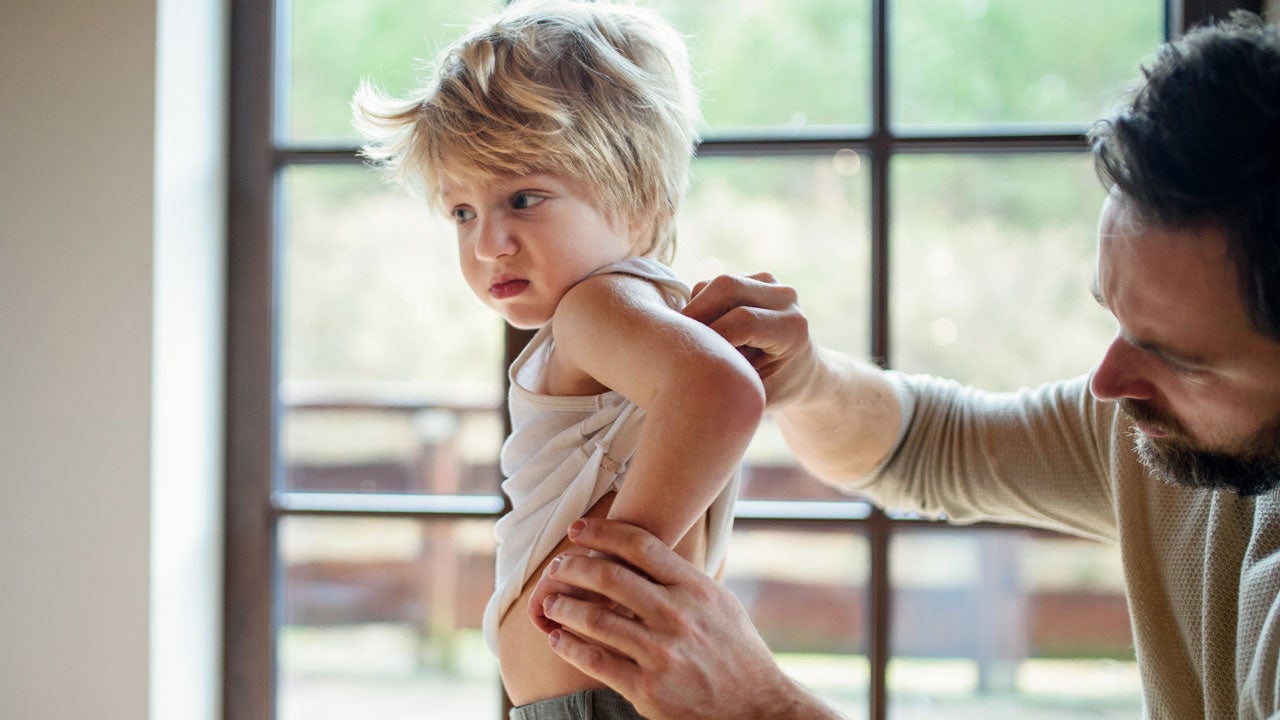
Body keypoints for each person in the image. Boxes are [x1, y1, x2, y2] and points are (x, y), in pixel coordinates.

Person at [532, 11, 1280, 720]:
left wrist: (764, 707)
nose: (1107, 383)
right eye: (1113, 317)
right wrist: (810, 381)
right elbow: (932, 445)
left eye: (1178, 359)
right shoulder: (1154, 428)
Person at [352, 1, 764, 718]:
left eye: (523, 197)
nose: (488, 244)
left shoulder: (596, 310)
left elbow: (721, 391)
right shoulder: (638, 321)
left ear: (638, 200)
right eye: (463, 212)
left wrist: (603, 583)